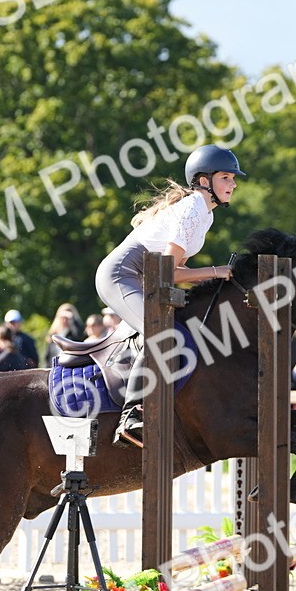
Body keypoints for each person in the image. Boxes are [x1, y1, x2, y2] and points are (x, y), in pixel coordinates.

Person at [95, 144, 242, 447]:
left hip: (144, 278)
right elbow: (172, 273)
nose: (233, 184)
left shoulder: (205, 216)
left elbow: (175, 270)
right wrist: (217, 271)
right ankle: (132, 415)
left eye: (232, 178)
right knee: (164, 336)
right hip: (121, 275)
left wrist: (217, 278)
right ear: (204, 181)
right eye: (226, 177)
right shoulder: (192, 208)